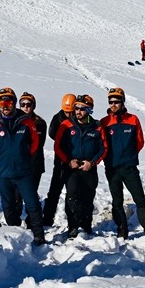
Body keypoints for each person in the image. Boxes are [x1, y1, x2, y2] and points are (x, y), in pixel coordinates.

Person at [100, 87, 145, 240]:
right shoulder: (104, 122)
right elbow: (101, 144)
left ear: (122, 102)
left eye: (117, 101)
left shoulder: (133, 119)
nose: (113, 104)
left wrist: (130, 155)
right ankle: (122, 230)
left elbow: (139, 141)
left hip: (129, 168)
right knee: (117, 201)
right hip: (112, 168)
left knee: (140, 199)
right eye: (111, 101)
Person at [0, 88, 47, 245]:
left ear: (14, 103)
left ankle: (39, 235)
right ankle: (15, 232)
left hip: (23, 173)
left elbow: (35, 144)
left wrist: (22, 157)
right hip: (3, 174)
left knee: (32, 204)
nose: (5, 105)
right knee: (8, 206)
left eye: (9, 101)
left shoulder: (27, 122)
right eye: (2, 101)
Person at [54, 94, 106, 238]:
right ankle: (73, 226)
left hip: (89, 168)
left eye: (82, 109)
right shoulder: (66, 125)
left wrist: (93, 162)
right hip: (72, 168)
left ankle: (86, 225)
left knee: (87, 198)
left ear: (89, 110)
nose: (78, 111)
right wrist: (68, 161)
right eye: (76, 108)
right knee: (71, 196)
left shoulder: (97, 126)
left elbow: (103, 148)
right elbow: (57, 146)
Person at [42, 94, 75, 226]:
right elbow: (51, 133)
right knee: (54, 192)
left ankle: (73, 221)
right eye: (66, 112)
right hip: (60, 161)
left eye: (70, 112)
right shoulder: (58, 118)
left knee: (72, 193)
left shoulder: (77, 117)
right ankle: (47, 219)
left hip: (74, 161)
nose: (68, 114)